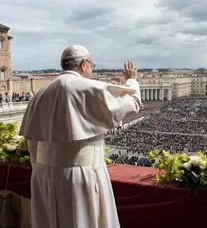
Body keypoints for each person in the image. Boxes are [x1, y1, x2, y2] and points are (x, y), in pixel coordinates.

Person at [19, 45, 141, 228]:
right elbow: (131, 103)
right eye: (92, 65)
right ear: (84, 64)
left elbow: (32, 143)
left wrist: (41, 169)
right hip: (80, 175)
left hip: (43, 175)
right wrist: (132, 80)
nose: (91, 70)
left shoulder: (40, 94)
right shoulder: (88, 88)